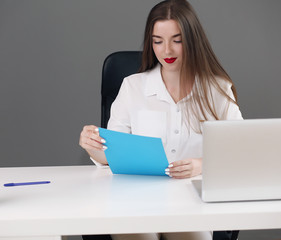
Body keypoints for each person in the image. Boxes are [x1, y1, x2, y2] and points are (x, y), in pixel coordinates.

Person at [79, 0, 242, 239]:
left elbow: (239, 151)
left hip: (193, 201)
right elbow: (112, 156)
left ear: (192, 40)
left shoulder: (217, 89)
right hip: (136, 198)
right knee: (137, 232)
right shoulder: (132, 86)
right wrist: (92, 146)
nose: (167, 51)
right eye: (158, 41)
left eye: (177, 40)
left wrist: (201, 164)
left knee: (188, 233)